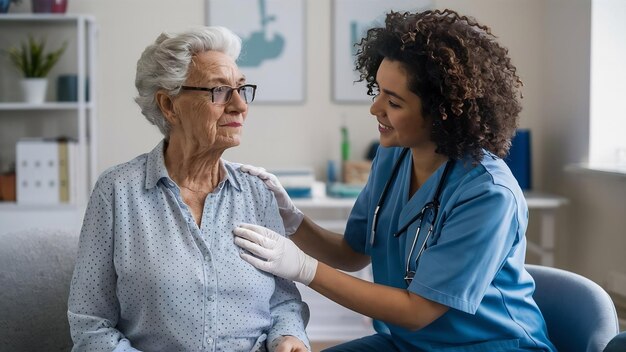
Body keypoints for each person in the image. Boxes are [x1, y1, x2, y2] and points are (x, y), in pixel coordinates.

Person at [233, 9, 557, 352]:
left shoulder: (489, 194)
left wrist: (303, 268)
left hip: (486, 345)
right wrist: (293, 220)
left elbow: (418, 311)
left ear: (444, 112)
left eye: (394, 102)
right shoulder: (393, 155)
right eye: (378, 92)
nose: (375, 109)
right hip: (404, 343)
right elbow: (351, 254)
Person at [68, 26, 310, 352]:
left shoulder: (257, 192)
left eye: (241, 88)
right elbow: (90, 323)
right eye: (220, 91)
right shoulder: (116, 192)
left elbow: (283, 303)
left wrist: (289, 337)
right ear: (169, 105)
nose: (240, 105)